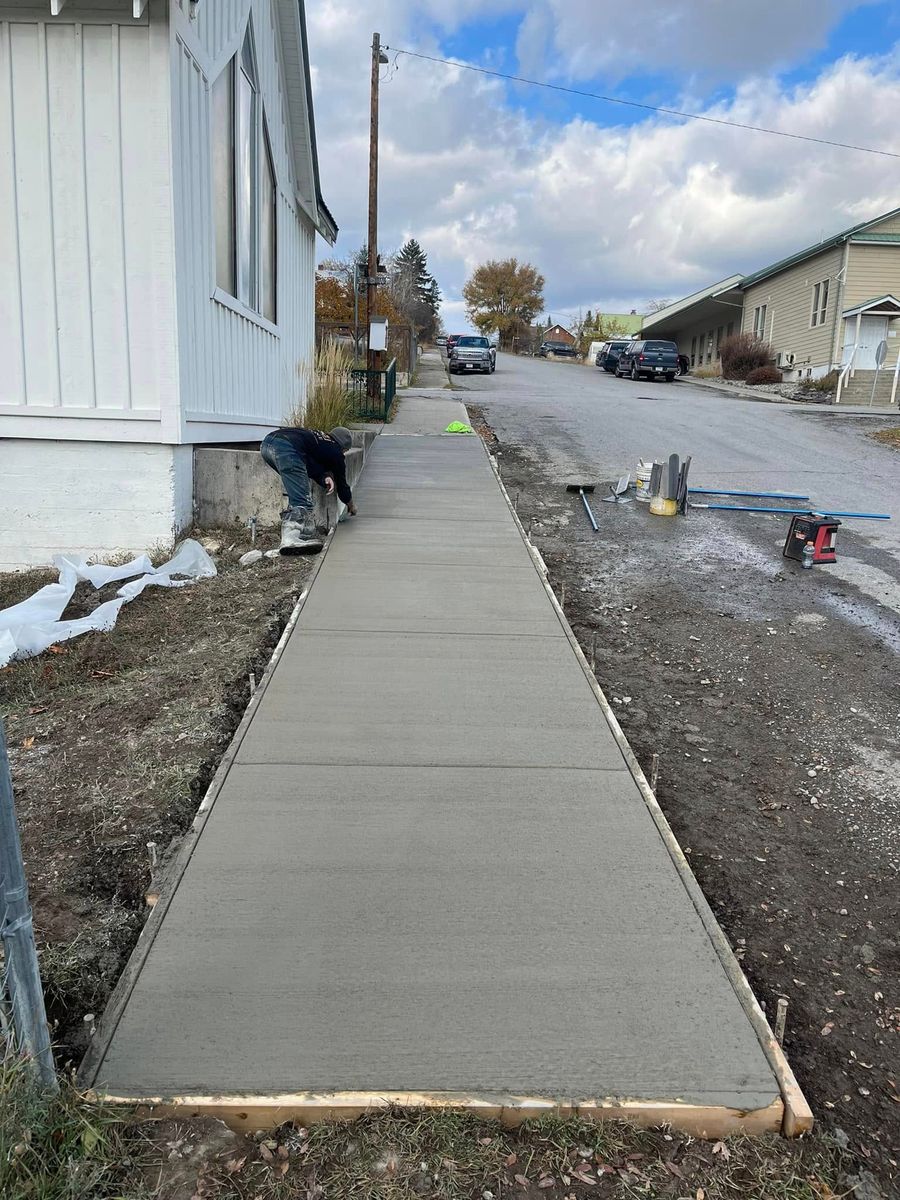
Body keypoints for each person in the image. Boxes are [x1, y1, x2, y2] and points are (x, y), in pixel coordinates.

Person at [260, 425, 357, 554]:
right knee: (302, 501)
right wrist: (350, 505)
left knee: (297, 492)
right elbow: (342, 483)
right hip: (286, 448)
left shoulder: (320, 440)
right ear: (343, 448)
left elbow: (307, 462)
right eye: (344, 452)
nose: (343, 455)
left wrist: (323, 477)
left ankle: (303, 533)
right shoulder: (336, 451)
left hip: (267, 444)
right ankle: (290, 538)